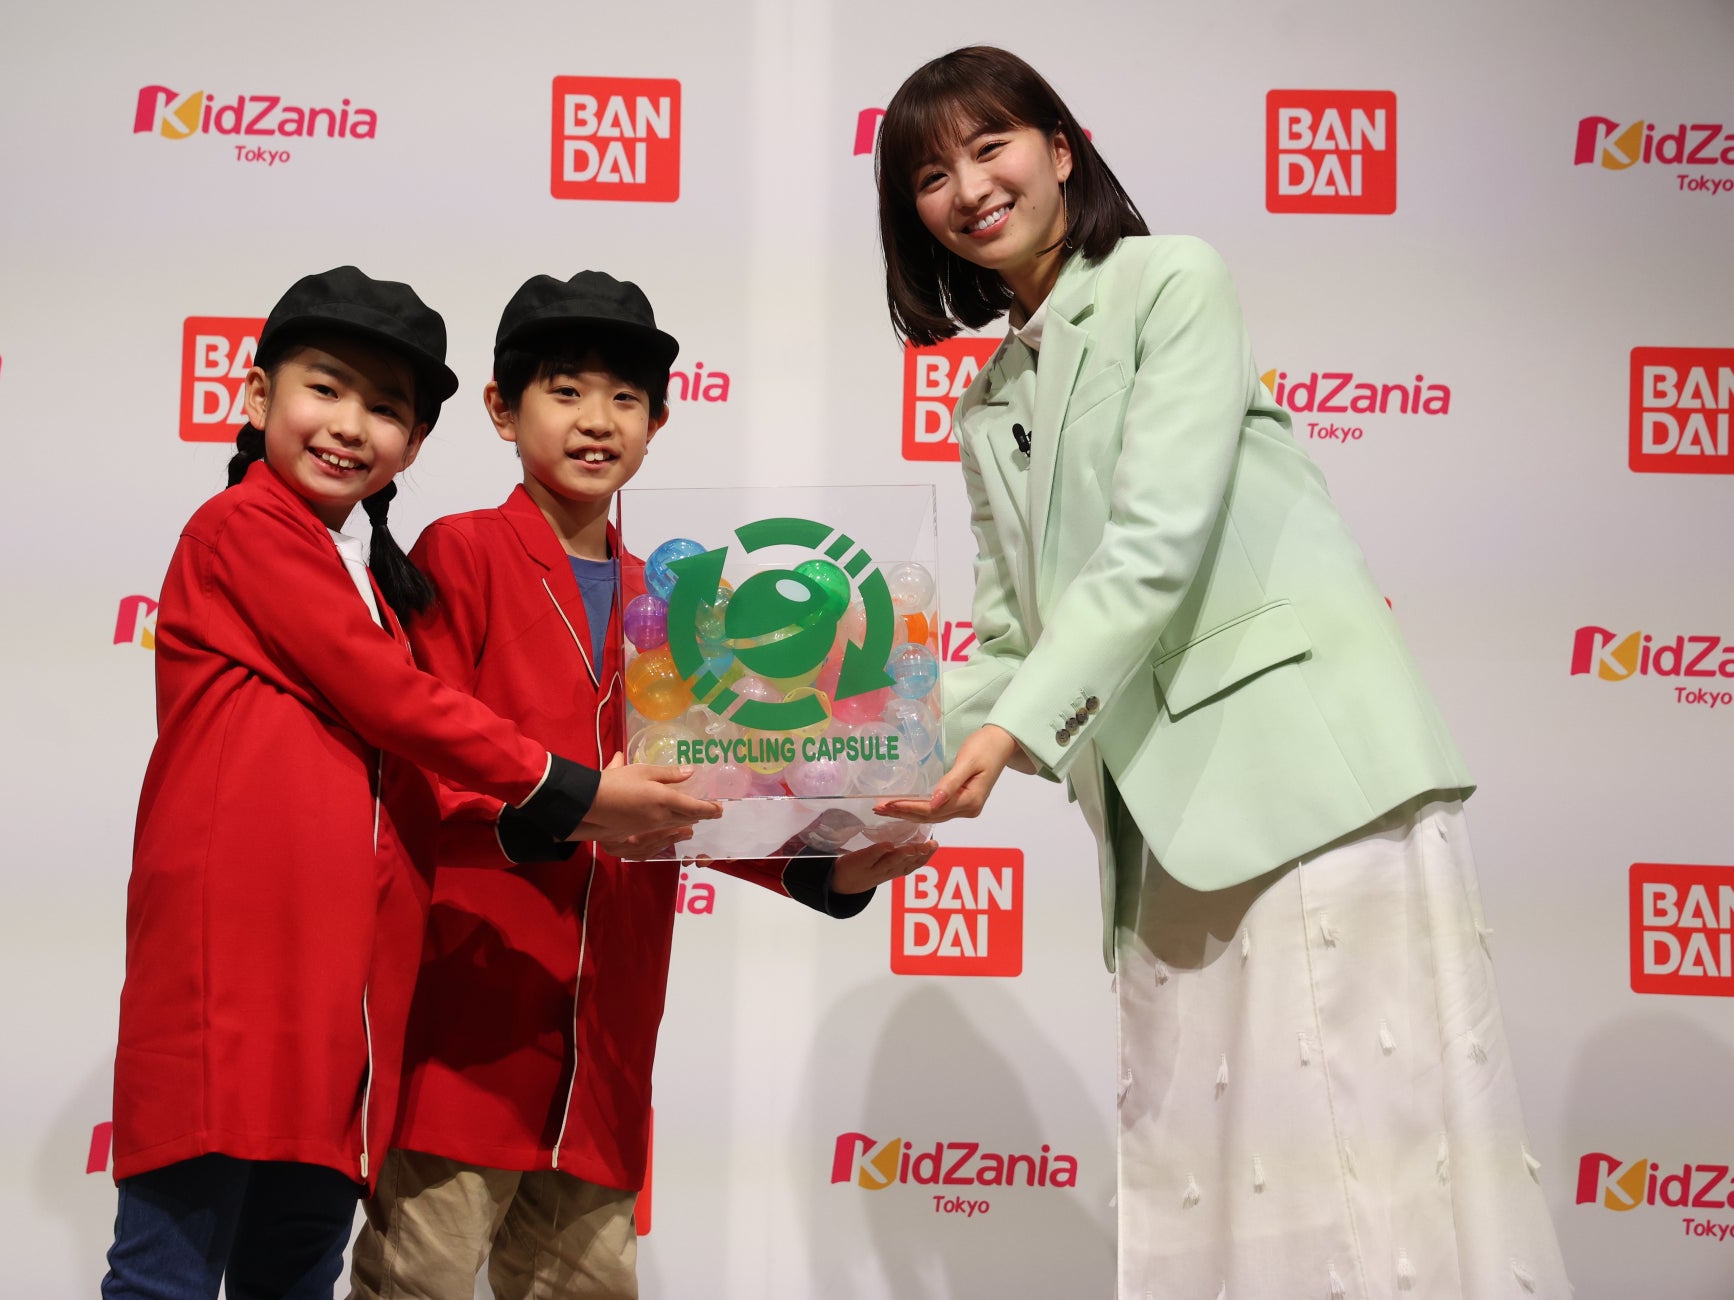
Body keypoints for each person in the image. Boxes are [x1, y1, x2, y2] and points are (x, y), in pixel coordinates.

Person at [869, 48, 1570, 1299]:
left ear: (1062, 150)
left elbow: (1156, 545)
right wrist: (854, 734)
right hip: (1164, 837)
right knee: (1221, 1193)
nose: (968, 188)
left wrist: (1008, 734)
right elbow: (1013, 648)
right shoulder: (989, 402)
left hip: (1306, 791)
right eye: (930, 175)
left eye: (990, 146)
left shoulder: (1170, 281)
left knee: (1361, 1175)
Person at [101, 266, 718, 1300]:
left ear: (418, 441)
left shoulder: (387, 578)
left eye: (385, 408)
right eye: (325, 389)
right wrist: (573, 795)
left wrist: (823, 851)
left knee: (293, 1267)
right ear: (255, 396)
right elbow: (401, 705)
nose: (351, 426)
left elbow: (696, 774)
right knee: (173, 1269)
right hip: (260, 970)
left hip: (358, 990)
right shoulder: (248, 530)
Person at [350, 271, 937, 1300]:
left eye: (626, 398)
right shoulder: (463, 552)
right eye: (566, 391)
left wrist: (831, 867)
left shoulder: (675, 600)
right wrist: (572, 808)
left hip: (608, 1038)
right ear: (502, 409)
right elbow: (421, 769)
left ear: (658, 424)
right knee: (418, 1279)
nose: (597, 420)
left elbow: (715, 790)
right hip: (468, 1016)